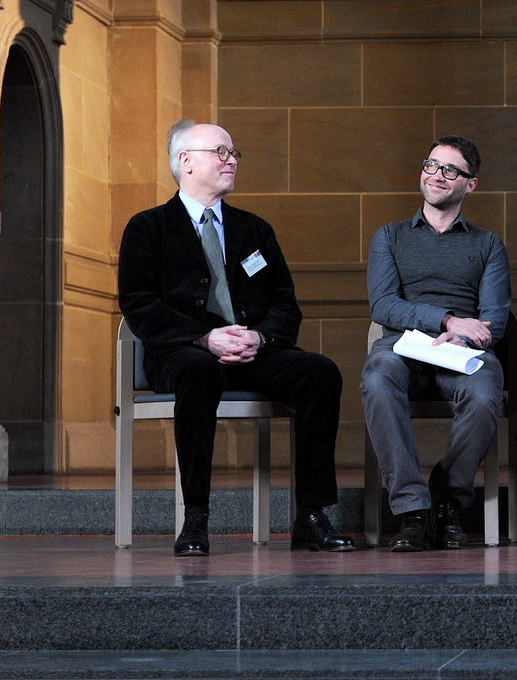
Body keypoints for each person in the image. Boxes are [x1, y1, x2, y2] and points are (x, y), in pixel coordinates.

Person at [118, 120, 353, 556]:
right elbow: (139, 305)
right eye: (220, 152)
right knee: (198, 371)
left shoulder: (254, 230)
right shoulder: (148, 227)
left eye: (233, 153)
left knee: (319, 372)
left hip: (252, 349)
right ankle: (196, 519)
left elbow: (286, 303)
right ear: (185, 162)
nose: (231, 160)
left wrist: (260, 339)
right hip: (183, 353)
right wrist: (205, 337)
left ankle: (312, 516)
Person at [360, 136, 510, 552]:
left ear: (470, 184)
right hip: (404, 349)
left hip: (461, 350)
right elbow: (384, 305)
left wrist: (459, 333)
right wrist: (443, 319)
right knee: (377, 376)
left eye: (449, 170)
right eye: (431, 165)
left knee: (484, 393)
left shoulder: (487, 244)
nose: (436, 175)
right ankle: (412, 511)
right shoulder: (389, 237)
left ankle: (447, 499)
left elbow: (494, 316)